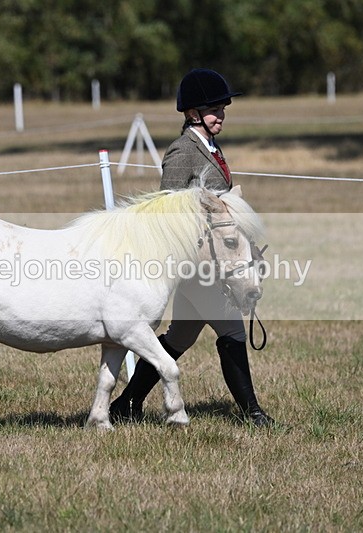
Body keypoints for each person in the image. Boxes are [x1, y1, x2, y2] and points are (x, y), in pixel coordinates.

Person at [110, 68, 275, 427]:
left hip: (214, 260)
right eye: (214, 109)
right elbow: (166, 209)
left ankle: (126, 403)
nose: (221, 115)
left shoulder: (211, 147)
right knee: (232, 332)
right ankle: (253, 414)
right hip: (197, 265)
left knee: (179, 338)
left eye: (223, 108)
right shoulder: (183, 151)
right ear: (192, 113)